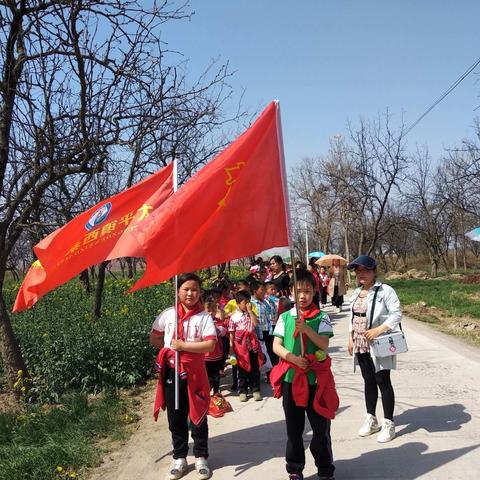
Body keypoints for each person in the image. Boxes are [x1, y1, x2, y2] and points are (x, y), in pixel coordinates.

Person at [149, 273, 217, 480]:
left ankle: (201, 456)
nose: (190, 293)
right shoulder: (168, 315)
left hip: (195, 374)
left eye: (195, 289)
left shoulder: (203, 317)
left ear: (200, 293)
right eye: (186, 289)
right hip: (172, 372)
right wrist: (168, 349)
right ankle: (179, 457)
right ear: (177, 291)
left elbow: (210, 344)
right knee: (176, 416)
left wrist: (183, 346)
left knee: (198, 415)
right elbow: (154, 337)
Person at [272, 269, 337, 480]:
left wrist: (307, 329)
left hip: (316, 381)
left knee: (321, 429)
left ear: (314, 291)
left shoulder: (322, 317)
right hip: (292, 379)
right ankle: (295, 468)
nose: (302, 296)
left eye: (307, 291)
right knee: (294, 429)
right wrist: (291, 358)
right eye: (298, 291)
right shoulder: (285, 317)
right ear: (291, 291)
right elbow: (276, 345)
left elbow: (324, 344)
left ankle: (325, 469)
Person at [347, 255, 402, 443]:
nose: (361, 274)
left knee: (382, 380)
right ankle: (371, 419)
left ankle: (389, 423)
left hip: (379, 342)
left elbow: (396, 314)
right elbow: (352, 317)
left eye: (365, 270)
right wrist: (350, 337)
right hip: (360, 343)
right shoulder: (356, 292)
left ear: (374, 271)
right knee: (368, 380)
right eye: (358, 271)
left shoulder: (385, 290)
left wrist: (379, 330)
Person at [229, 290, 263, 402]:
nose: (248, 304)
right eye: (245, 302)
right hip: (240, 348)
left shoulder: (251, 313)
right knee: (242, 370)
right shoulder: (234, 317)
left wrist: (250, 312)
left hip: (252, 346)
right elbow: (232, 333)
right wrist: (231, 348)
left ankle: (255, 389)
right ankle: (242, 391)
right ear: (238, 303)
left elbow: (256, 324)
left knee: (255, 369)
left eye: (249, 302)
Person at [204, 296, 227, 395]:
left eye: (212, 310)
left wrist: (215, 327)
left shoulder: (217, 321)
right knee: (206, 374)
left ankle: (216, 391)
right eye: (207, 311)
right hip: (205, 354)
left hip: (216, 352)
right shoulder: (202, 322)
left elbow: (223, 332)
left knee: (216, 373)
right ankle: (207, 390)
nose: (210, 313)